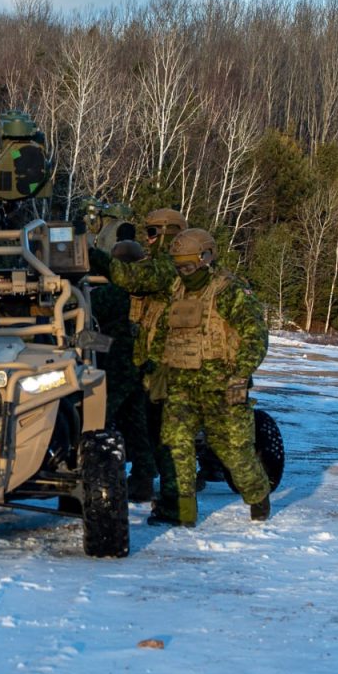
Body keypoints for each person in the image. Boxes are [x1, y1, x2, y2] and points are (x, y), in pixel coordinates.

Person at [147, 228, 271, 526]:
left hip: (223, 384)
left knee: (233, 449)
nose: (184, 271)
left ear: (206, 258)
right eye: (179, 266)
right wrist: (156, 370)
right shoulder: (177, 290)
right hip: (181, 385)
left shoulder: (229, 291)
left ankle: (257, 496)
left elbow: (255, 336)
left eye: (189, 265)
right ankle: (181, 511)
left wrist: (241, 374)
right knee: (176, 446)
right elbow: (164, 332)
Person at [107, 208, 187, 504]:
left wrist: (92, 256)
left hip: (165, 359)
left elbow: (132, 279)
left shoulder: (170, 266)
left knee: (163, 428)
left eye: (152, 232)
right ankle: (144, 480)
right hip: (144, 356)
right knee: (141, 420)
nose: (148, 239)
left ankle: (174, 493)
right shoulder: (156, 265)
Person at [89, 229, 157, 502]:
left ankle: (100, 472)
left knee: (99, 421)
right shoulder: (147, 292)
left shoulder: (109, 292)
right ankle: (143, 480)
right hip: (143, 363)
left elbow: (87, 317)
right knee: (137, 423)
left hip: (116, 366)